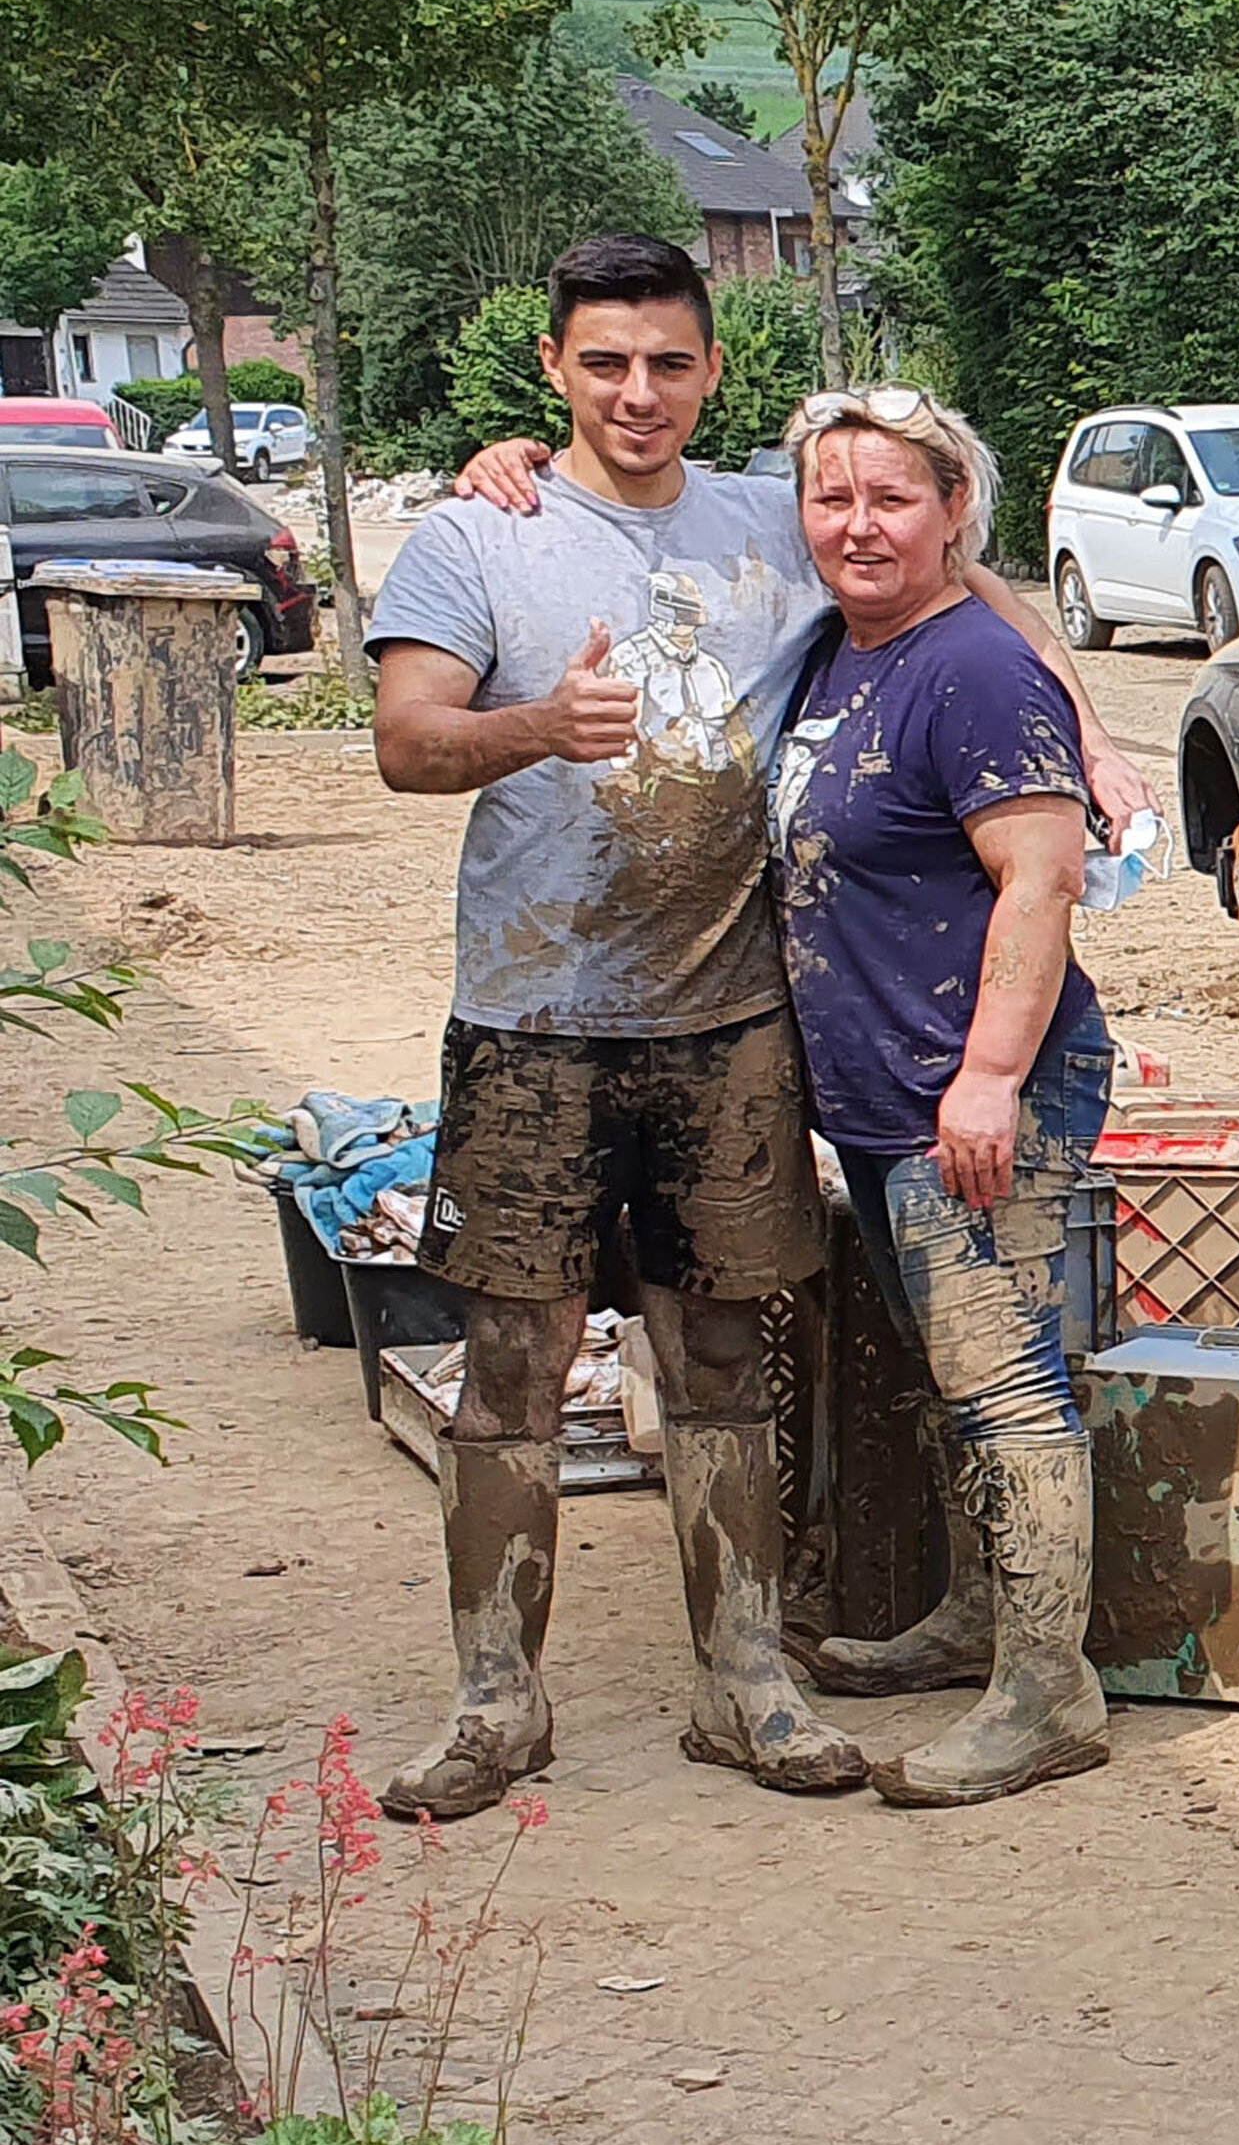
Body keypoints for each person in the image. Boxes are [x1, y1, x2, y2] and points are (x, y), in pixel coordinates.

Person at [368, 237, 1151, 1820]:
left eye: (668, 362)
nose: (637, 391)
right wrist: (541, 726)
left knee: (722, 1361)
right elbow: (405, 741)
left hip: (727, 1031)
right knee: (509, 1369)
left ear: (712, 369)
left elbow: (954, 570)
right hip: (529, 1022)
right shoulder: (477, 531)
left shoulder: (774, 515)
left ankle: (749, 1687)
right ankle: (494, 1704)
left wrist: (1083, 712)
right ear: (552, 368)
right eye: (603, 363)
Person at [767, 384, 1113, 1807]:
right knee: (953, 1375)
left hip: (973, 1094)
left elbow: (1044, 874)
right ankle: (984, 1617)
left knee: (1007, 1381)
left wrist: (987, 1077)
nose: (858, 523)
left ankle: (1050, 1689)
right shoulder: (844, 654)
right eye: (833, 496)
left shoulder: (971, 667)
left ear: (956, 513)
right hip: (886, 1094)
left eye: (893, 497)